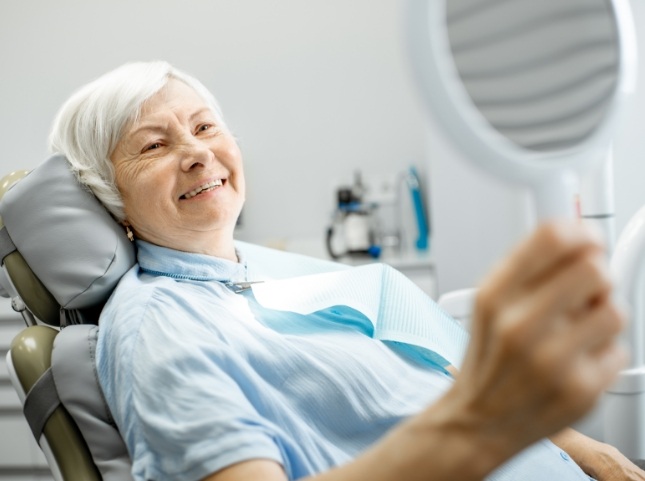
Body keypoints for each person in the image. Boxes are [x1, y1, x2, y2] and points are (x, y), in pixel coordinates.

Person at [47, 60, 643, 481]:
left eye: (204, 127)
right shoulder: (158, 325)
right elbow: (479, 408)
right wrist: (478, 428)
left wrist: (592, 452)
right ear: (111, 198)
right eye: (154, 145)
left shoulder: (268, 271)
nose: (197, 151)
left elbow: (451, 374)